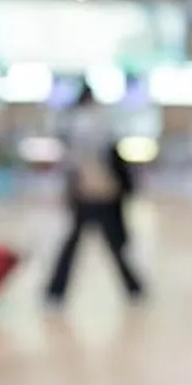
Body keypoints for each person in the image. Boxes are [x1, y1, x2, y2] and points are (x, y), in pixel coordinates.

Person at [45, 84, 144, 305]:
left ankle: (56, 291)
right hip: (100, 190)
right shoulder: (98, 121)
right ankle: (133, 288)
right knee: (111, 241)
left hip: (87, 190)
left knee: (78, 242)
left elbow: (70, 161)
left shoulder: (74, 122)